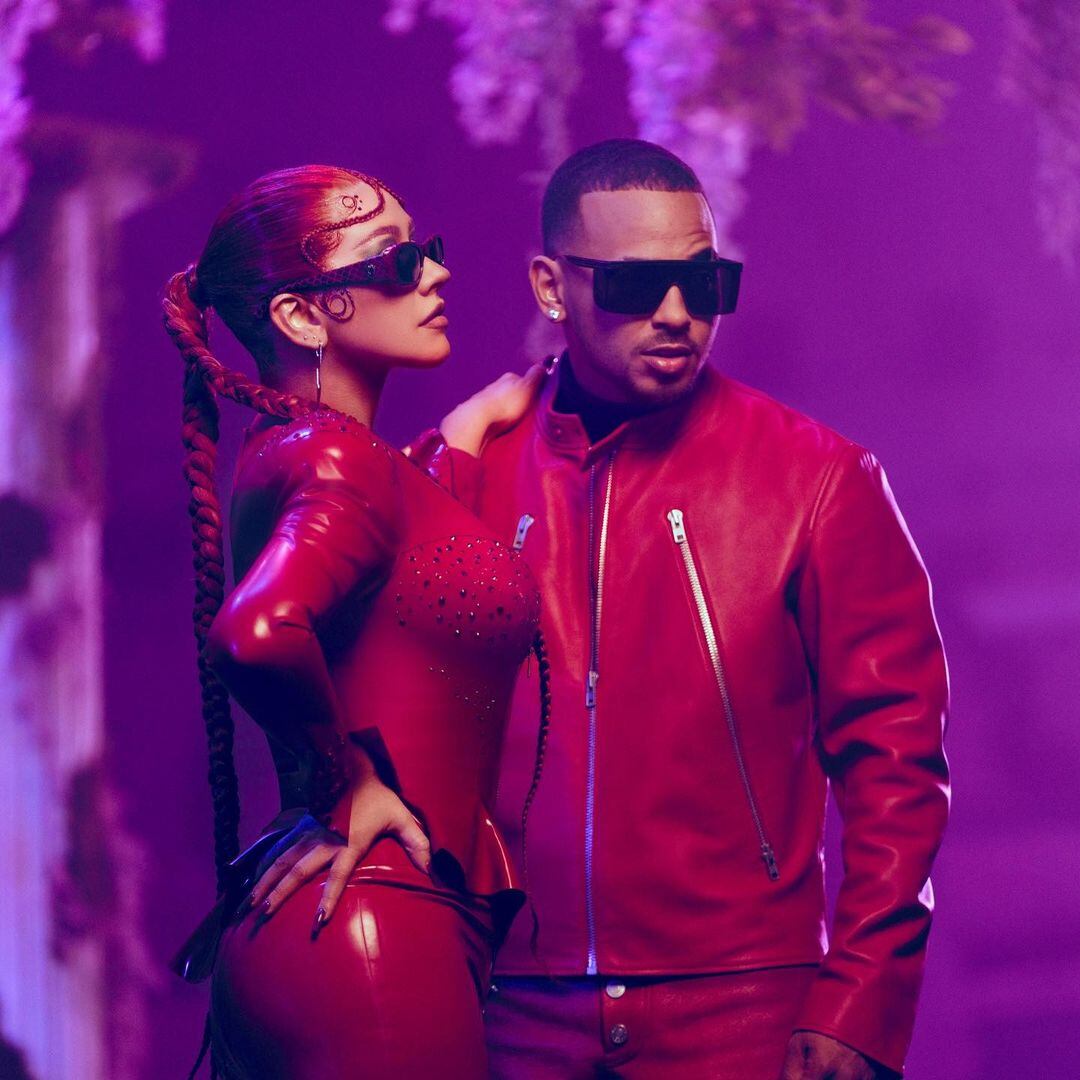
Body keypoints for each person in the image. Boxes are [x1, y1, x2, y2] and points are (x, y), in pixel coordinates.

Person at [253, 140, 951, 1080]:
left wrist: (863, 1000)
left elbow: (897, 762)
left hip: (746, 1005)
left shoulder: (820, 481)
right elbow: (353, 667)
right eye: (635, 284)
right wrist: (340, 781)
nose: (677, 314)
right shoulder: (461, 474)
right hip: (505, 1004)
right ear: (552, 287)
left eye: (705, 283)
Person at [161, 164, 546, 1079]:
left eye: (426, 250)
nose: (435, 273)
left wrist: (461, 439)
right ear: (300, 316)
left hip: (338, 920)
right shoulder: (338, 461)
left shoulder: (307, 452)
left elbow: (403, 578)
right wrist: (351, 776)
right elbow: (256, 631)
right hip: (369, 923)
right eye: (396, 260)